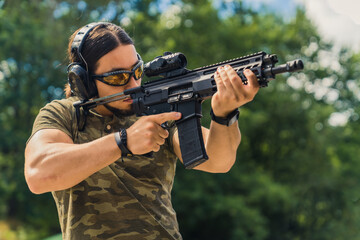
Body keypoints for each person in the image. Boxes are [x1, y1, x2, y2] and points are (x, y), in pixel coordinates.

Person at [24, 22, 259, 240]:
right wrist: (123, 141)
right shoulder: (64, 114)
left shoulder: (155, 108)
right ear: (83, 80)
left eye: (136, 71)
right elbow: (38, 174)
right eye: (118, 77)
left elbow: (219, 161)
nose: (133, 85)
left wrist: (224, 114)